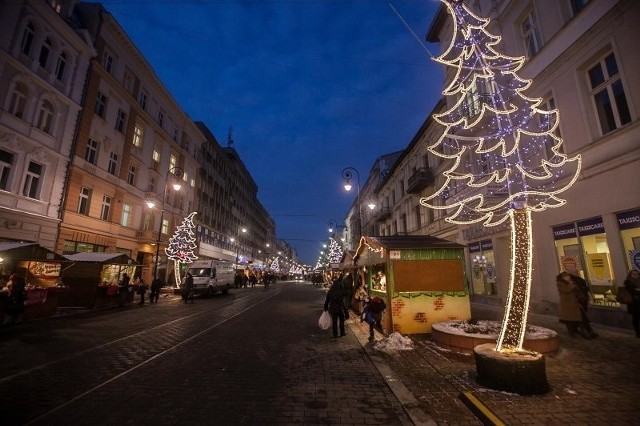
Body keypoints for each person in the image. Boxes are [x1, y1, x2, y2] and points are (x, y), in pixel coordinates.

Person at [556, 272, 597, 338]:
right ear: (562, 278)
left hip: (576, 304)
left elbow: (577, 289)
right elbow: (567, 289)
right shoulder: (560, 283)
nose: (568, 277)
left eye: (569, 276)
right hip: (567, 305)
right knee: (570, 320)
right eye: (566, 276)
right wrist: (572, 284)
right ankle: (576, 332)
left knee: (583, 318)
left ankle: (588, 332)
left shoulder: (571, 282)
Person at [623, 269, 640, 338]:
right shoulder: (628, 282)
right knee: (636, 318)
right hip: (634, 304)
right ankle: (638, 332)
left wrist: (637, 290)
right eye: (633, 274)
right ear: (630, 275)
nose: (635, 275)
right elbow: (632, 291)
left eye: (636, 274)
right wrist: (637, 290)